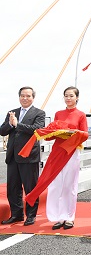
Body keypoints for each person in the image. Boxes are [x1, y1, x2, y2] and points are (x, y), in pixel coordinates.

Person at [39, 87, 88, 230]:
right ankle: (57, 217)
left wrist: (73, 132)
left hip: (71, 152)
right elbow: (53, 134)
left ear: (77, 98)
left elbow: (85, 134)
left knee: (69, 185)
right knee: (55, 185)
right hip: (57, 152)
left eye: (71, 96)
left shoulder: (81, 115)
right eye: (66, 96)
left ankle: (69, 217)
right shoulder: (58, 113)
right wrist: (51, 132)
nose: (68, 98)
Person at [0, 87, 46, 226]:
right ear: (19, 97)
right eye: (22, 96)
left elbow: (37, 129)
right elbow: (2, 131)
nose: (25, 98)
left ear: (33, 97)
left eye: (28, 96)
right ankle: (16, 214)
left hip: (29, 155)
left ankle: (31, 216)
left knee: (30, 187)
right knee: (13, 188)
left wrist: (17, 124)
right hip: (13, 156)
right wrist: (9, 123)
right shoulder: (12, 113)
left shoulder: (39, 113)